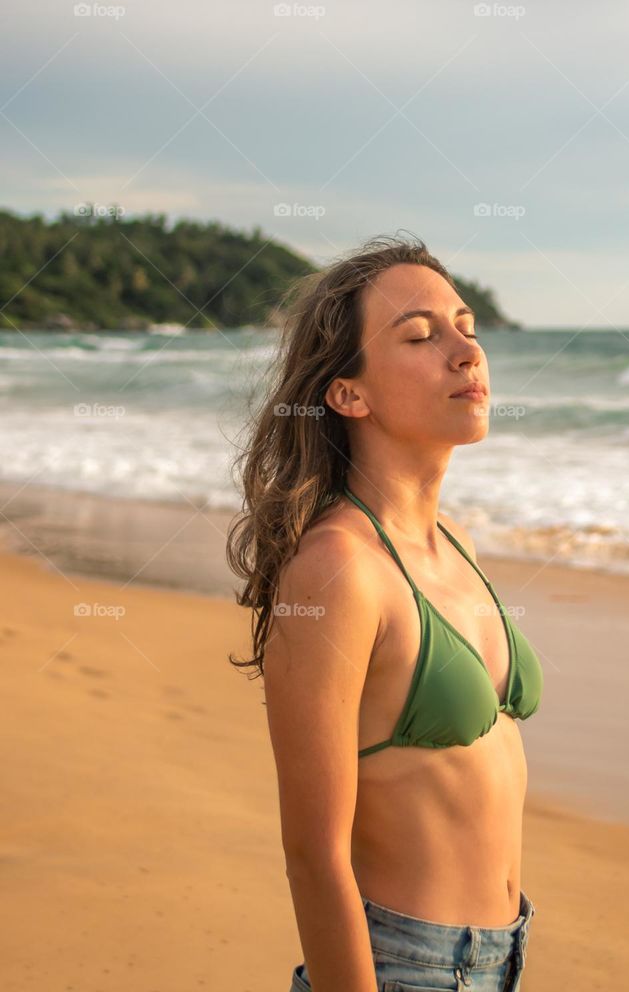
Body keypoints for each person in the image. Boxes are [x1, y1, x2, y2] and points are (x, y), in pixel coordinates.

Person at [227, 232, 543, 992]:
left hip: (501, 958)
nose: (466, 353)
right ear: (347, 393)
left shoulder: (455, 543)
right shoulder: (338, 572)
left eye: (466, 326)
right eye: (420, 335)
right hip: (401, 970)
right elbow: (313, 853)